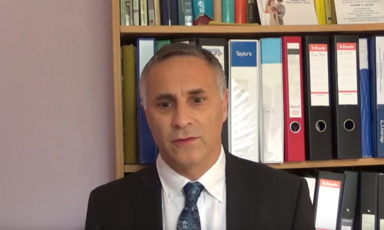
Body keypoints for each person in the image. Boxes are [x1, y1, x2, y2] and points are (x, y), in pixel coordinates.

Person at [84, 43, 315, 230]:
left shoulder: (287, 197)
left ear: (224, 106)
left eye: (197, 100)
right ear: (147, 116)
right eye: (165, 104)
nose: (182, 120)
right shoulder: (107, 207)